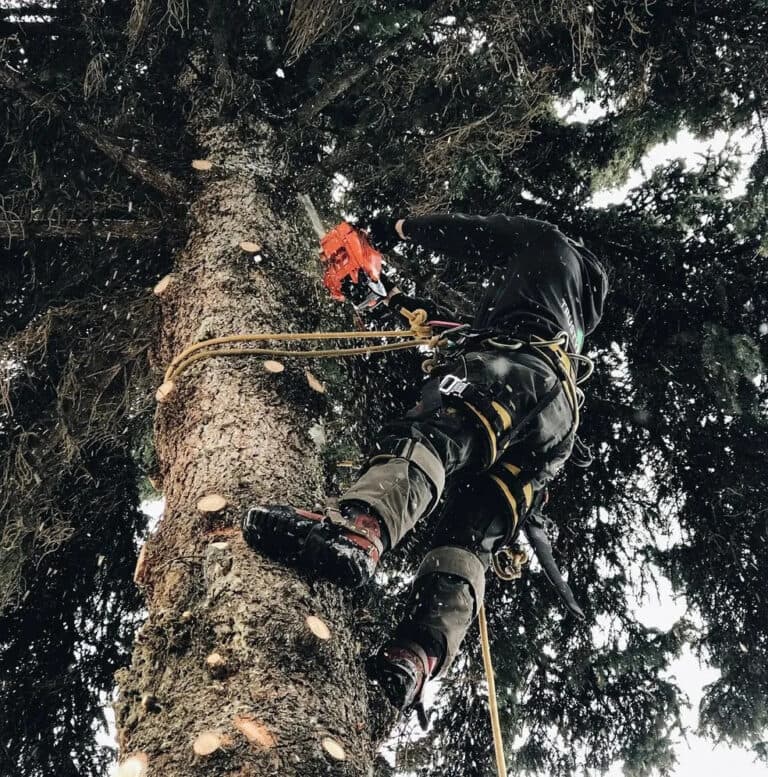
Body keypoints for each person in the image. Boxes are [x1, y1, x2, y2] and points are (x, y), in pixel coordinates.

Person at [242, 213, 609, 721]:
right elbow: (486, 332)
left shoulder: (549, 244)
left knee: (435, 436)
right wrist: (397, 304)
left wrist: (395, 228)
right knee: (469, 536)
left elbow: (475, 231)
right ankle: (412, 659)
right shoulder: (568, 315)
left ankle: (358, 533)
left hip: (515, 366)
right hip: (555, 423)